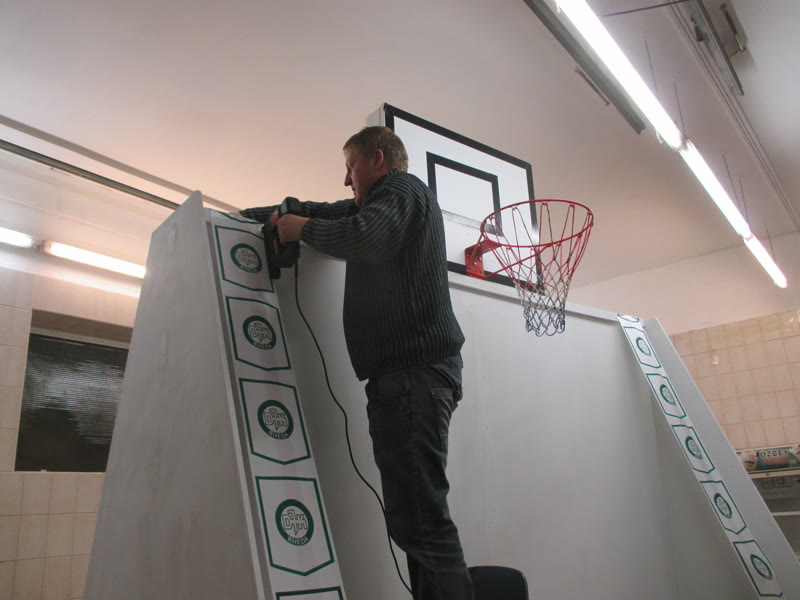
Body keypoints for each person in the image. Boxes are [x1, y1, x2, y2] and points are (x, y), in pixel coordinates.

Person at [241, 126, 472, 600]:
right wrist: (256, 217)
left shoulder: (403, 190)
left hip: (413, 379)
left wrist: (302, 230)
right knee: (417, 526)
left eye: (351, 166)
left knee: (422, 526)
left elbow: (366, 237)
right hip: (409, 381)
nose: (347, 180)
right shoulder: (379, 202)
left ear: (378, 159)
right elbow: (325, 211)